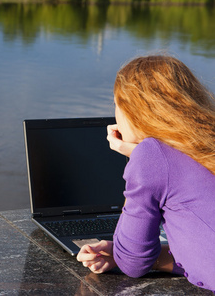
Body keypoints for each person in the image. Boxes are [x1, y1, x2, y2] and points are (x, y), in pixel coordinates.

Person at [76, 55, 215, 292]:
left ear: (133, 111)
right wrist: (141, 255)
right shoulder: (205, 144)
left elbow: (133, 264)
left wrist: (137, 156)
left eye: (116, 105)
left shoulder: (152, 156)